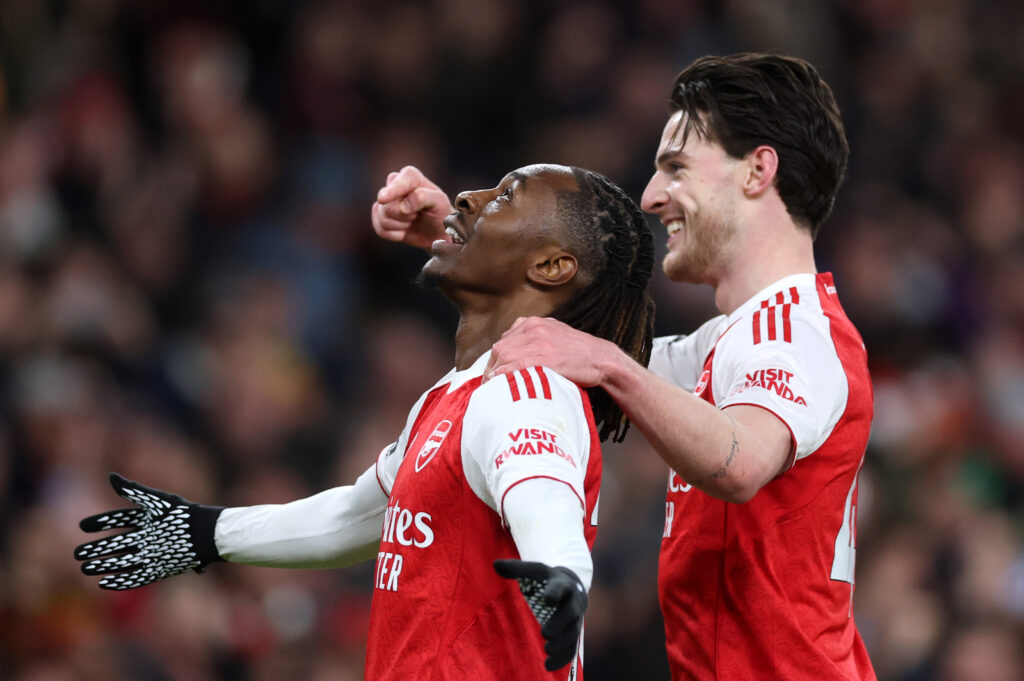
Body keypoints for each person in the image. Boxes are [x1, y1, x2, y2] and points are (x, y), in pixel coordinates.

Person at [371, 54, 877, 681]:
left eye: (676, 168)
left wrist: (609, 366)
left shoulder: (793, 330)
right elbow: (566, 343)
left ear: (757, 170)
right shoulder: (733, 343)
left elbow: (741, 459)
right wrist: (462, 239)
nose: (651, 196)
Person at [76, 164, 656, 681]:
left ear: (552, 267)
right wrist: (209, 532)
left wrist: (562, 574)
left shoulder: (528, 389)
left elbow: (544, 499)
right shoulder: (454, 394)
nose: (467, 198)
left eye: (505, 197)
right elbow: (360, 514)